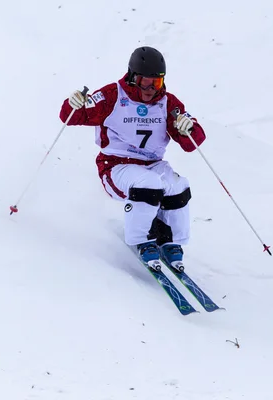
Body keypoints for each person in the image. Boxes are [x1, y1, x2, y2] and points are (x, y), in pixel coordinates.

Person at [59, 46, 206, 271]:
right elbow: (72, 117)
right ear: (132, 76)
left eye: (156, 83)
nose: (150, 88)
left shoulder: (168, 103)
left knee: (177, 186)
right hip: (116, 164)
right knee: (149, 184)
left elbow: (191, 143)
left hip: (153, 163)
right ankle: (142, 238)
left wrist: (189, 128)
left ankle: (170, 240)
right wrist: (74, 103)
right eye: (144, 81)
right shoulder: (112, 95)